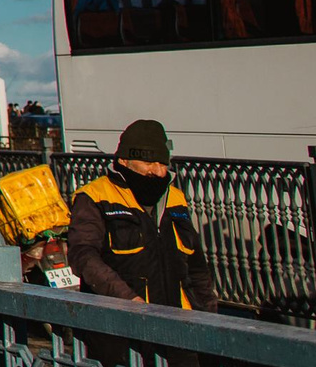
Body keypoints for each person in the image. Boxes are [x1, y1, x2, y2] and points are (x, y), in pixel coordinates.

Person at [67, 120, 215, 310]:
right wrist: (128, 300)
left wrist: (209, 312)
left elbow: (197, 266)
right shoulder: (94, 197)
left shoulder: (175, 198)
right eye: (148, 163)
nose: (158, 172)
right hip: (123, 317)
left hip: (179, 317)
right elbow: (83, 255)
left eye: (163, 163)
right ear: (124, 161)